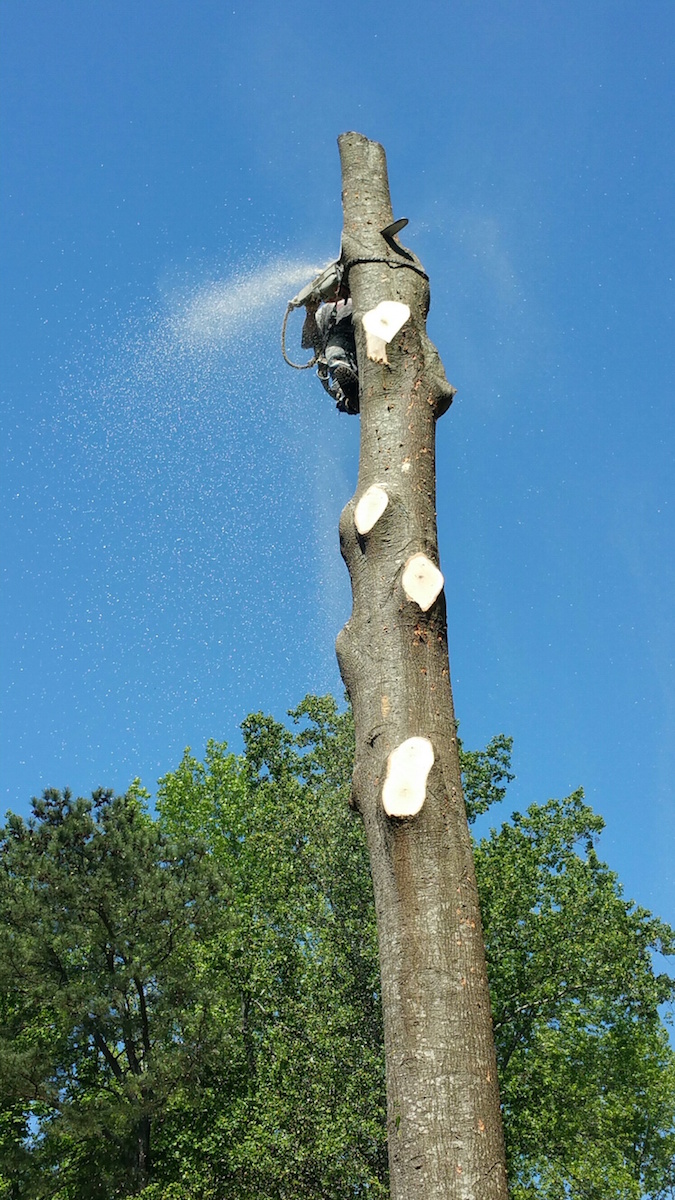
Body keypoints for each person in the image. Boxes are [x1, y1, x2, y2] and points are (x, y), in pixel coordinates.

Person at [302, 297, 359, 415]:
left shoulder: (366, 294)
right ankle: (349, 397)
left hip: (370, 339)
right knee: (334, 351)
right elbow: (309, 340)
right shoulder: (326, 310)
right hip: (342, 349)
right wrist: (310, 313)